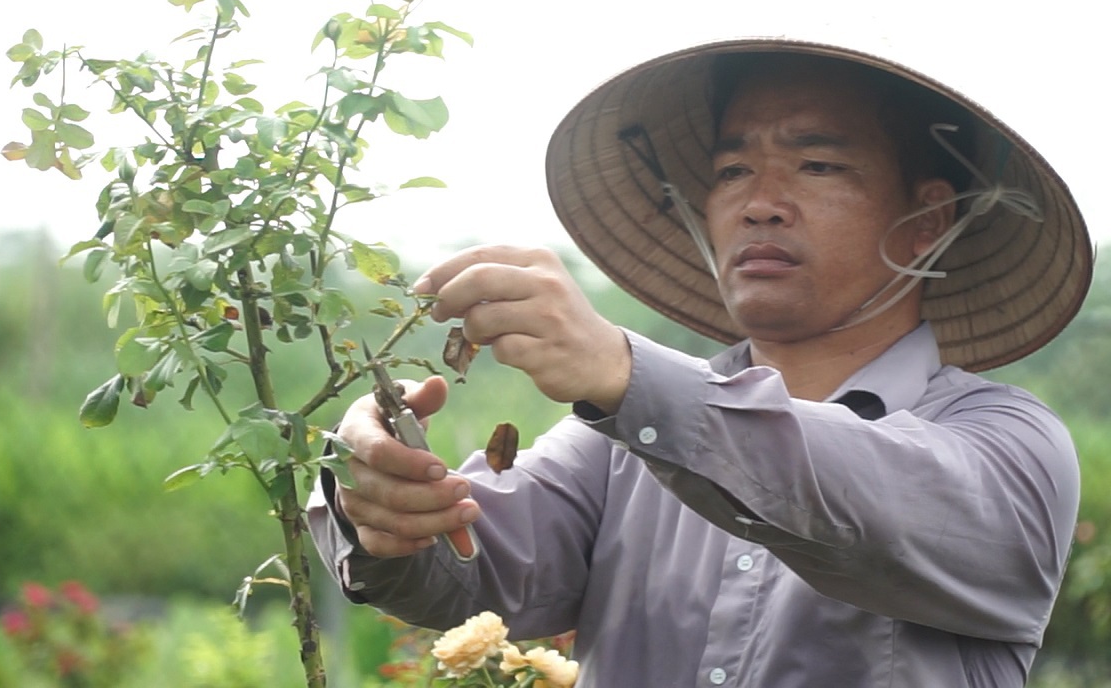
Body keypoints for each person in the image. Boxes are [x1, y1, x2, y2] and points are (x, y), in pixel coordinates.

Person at [308, 38, 1093, 687]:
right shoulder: (614, 450)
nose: (760, 201)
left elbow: (862, 492)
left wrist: (624, 371)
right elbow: (472, 576)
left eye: (817, 165)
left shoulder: (1009, 446)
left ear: (928, 217)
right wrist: (387, 506)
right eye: (730, 172)